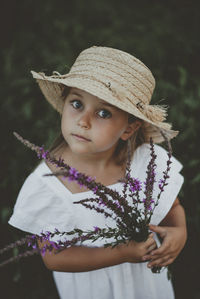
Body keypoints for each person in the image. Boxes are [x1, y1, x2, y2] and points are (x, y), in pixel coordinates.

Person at [8, 46, 187, 299]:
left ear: (128, 128)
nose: (84, 121)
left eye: (103, 112)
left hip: (145, 285)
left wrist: (179, 233)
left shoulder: (144, 163)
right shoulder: (49, 185)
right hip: (93, 289)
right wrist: (123, 253)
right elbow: (54, 257)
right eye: (77, 103)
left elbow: (173, 207)